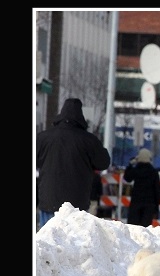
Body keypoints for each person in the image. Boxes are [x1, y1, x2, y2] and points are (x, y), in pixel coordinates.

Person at [36, 98, 111, 229]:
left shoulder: (43, 138)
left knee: (47, 241)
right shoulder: (89, 140)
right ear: (81, 117)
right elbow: (104, 162)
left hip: (48, 201)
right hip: (77, 205)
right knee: (73, 244)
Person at [123, 148, 160, 227]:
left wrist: (130, 165)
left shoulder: (136, 170)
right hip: (149, 203)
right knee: (145, 228)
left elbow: (127, 178)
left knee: (133, 227)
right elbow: (157, 189)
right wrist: (157, 206)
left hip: (136, 201)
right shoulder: (153, 172)